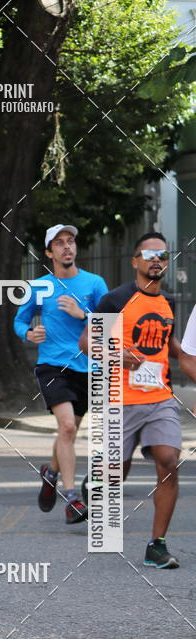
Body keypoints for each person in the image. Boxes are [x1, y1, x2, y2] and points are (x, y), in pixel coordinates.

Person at [81, 233, 196, 568]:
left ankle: (156, 545)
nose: (156, 259)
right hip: (120, 398)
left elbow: (171, 345)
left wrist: (187, 361)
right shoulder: (116, 300)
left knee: (168, 461)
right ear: (135, 261)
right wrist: (116, 354)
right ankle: (97, 481)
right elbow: (87, 342)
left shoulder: (168, 302)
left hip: (160, 396)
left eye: (161, 254)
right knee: (118, 471)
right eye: (148, 254)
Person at [14, 224, 108, 524]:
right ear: (49, 252)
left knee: (70, 430)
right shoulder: (40, 286)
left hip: (87, 367)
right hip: (53, 365)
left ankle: (51, 473)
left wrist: (84, 316)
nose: (67, 247)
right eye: (59, 243)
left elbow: (111, 325)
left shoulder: (95, 283)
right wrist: (29, 333)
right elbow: (19, 321)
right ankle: (73, 499)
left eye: (70, 242)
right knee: (67, 427)